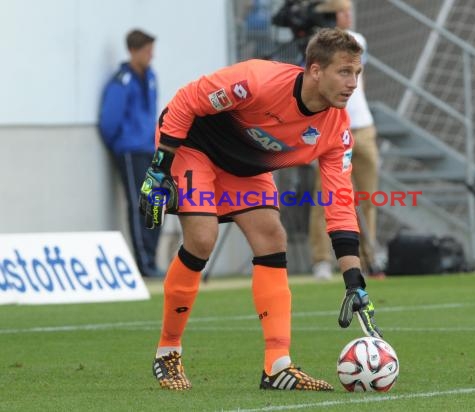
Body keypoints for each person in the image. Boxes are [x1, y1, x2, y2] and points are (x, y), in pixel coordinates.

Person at [139, 28, 382, 391]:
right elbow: (187, 100)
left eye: (357, 74)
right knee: (203, 238)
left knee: (271, 237)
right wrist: (160, 166)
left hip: (245, 166)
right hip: (194, 145)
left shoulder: (337, 130)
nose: (352, 83)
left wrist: (354, 278)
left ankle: (277, 366)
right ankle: (167, 353)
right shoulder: (258, 79)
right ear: (315, 70)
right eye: (344, 72)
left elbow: (339, 202)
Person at [308, 0, 380, 280]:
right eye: (341, 11)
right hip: (331, 129)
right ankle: (322, 260)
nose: (347, 16)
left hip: (362, 126)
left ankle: (367, 257)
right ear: (329, 14)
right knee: (325, 196)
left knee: (367, 196)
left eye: (350, 11)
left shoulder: (357, 40)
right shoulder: (319, 49)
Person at [99, 29, 164, 278]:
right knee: (140, 203)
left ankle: (152, 257)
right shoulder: (121, 81)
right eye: (147, 50)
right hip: (130, 150)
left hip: (151, 149)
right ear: (133, 51)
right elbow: (109, 121)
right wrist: (121, 144)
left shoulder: (150, 76)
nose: (151, 55)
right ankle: (143, 263)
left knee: (156, 203)